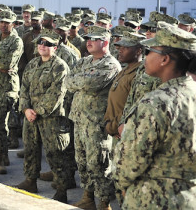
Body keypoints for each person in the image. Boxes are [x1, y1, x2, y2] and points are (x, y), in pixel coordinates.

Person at [112, 22, 196, 209]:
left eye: (149, 51)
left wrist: (123, 185)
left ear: (165, 59)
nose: (145, 57)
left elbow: (129, 162)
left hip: (153, 199)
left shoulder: (156, 102)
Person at [66, 26, 121, 210]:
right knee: (82, 161)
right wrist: (80, 80)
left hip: (96, 123)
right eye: (88, 38)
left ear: (105, 43)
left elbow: (90, 83)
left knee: (98, 164)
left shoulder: (110, 64)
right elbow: (68, 81)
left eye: (94, 39)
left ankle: (104, 203)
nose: (88, 41)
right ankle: (87, 198)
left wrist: (80, 80)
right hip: (80, 119)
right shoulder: (86, 60)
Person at [13, 29, 71, 203]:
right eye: (40, 43)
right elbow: (24, 89)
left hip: (51, 118)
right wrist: (25, 109)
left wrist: (36, 111)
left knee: (56, 154)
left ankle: (61, 190)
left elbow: (56, 94)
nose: (42, 46)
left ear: (55, 47)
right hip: (31, 117)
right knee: (31, 149)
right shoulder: (32, 64)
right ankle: (31, 181)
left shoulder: (60, 66)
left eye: (47, 44)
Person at [0, 9, 23, 174]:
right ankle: (3, 155)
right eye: (1, 22)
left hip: (8, 87)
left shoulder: (16, 41)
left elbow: (7, 64)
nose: (3, 25)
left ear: (13, 23)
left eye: (7, 22)